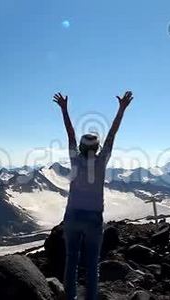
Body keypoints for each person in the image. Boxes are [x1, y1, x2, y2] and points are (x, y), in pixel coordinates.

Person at [53, 91, 133, 300]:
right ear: (97, 147)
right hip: (94, 218)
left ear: (80, 147)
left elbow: (70, 134)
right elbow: (112, 135)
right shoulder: (101, 161)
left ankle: (70, 298)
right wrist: (121, 109)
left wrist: (64, 109)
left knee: (71, 261)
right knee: (92, 264)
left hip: (72, 216)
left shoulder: (75, 160)